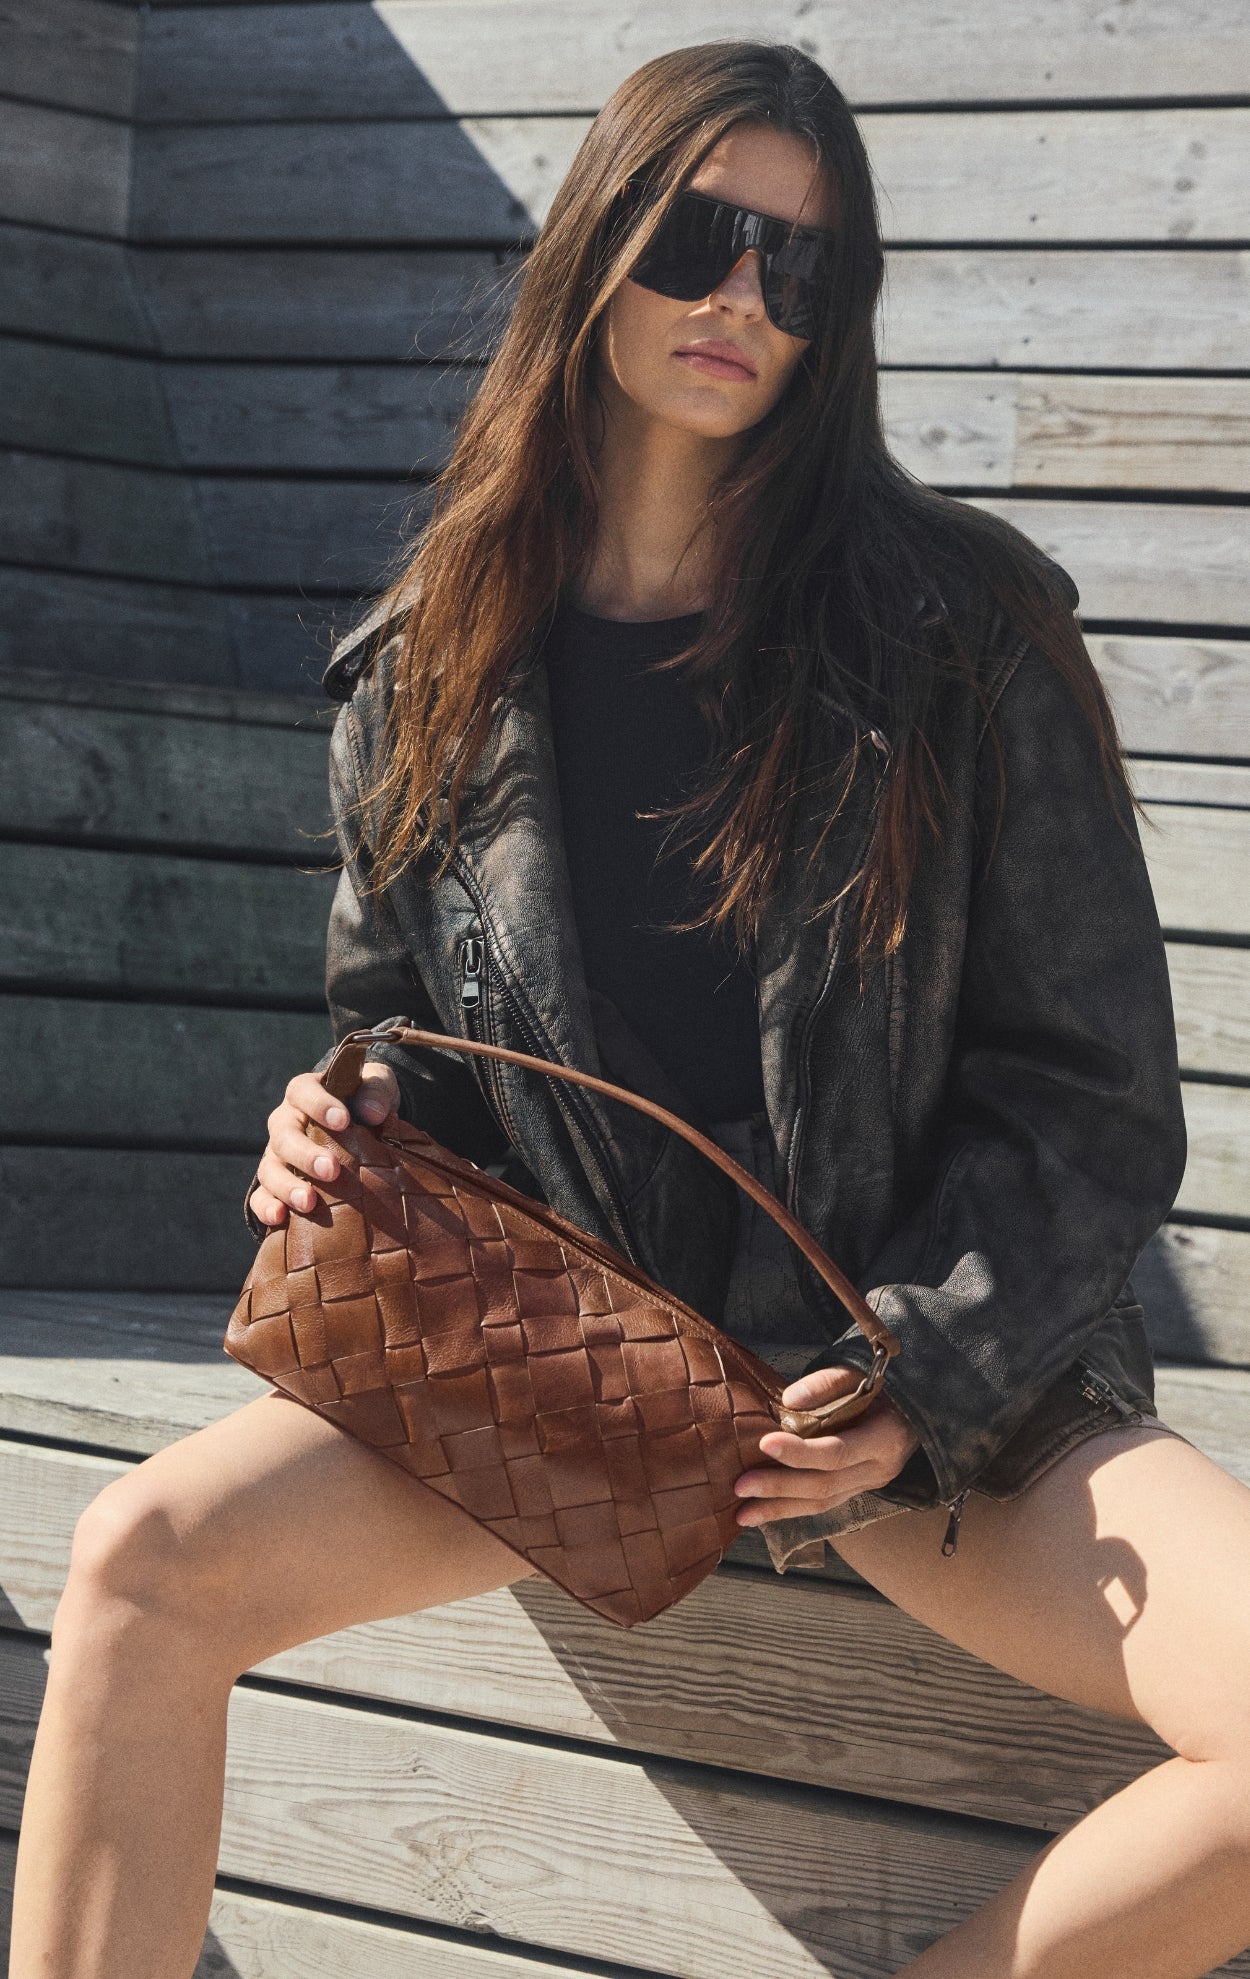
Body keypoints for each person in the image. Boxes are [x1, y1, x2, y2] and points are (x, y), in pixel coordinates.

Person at [10, 40, 1250, 1979]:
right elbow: (418, 1045)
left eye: (799, 267)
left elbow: (1089, 1101)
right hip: (582, 1377)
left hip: (930, 1403)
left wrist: (912, 1382)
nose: (742, 295)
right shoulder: (430, 662)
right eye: (697, 238)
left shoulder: (958, 633)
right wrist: (336, 1122)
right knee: (135, 1563)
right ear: (596, 246)